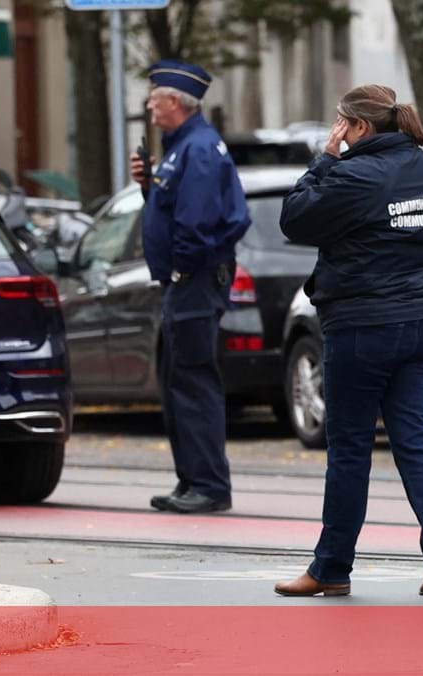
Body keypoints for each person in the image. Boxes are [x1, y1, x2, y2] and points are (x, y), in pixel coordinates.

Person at [273, 85, 423, 597]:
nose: (336, 132)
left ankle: (332, 566)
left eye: (340, 124)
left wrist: (323, 160)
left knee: (351, 449)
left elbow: (294, 218)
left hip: (363, 327)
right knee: (416, 442)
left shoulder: (356, 174)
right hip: (422, 323)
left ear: (357, 127)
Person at [130, 60, 251, 514]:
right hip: (185, 282)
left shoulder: (198, 149)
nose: (149, 105)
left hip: (193, 282)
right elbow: (171, 209)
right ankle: (192, 480)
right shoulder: (184, 146)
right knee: (177, 381)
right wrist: (147, 185)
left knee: (194, 381)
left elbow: (196, 224)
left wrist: (182, 269)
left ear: (176, 103)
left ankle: (208, 484)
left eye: (155, 98)